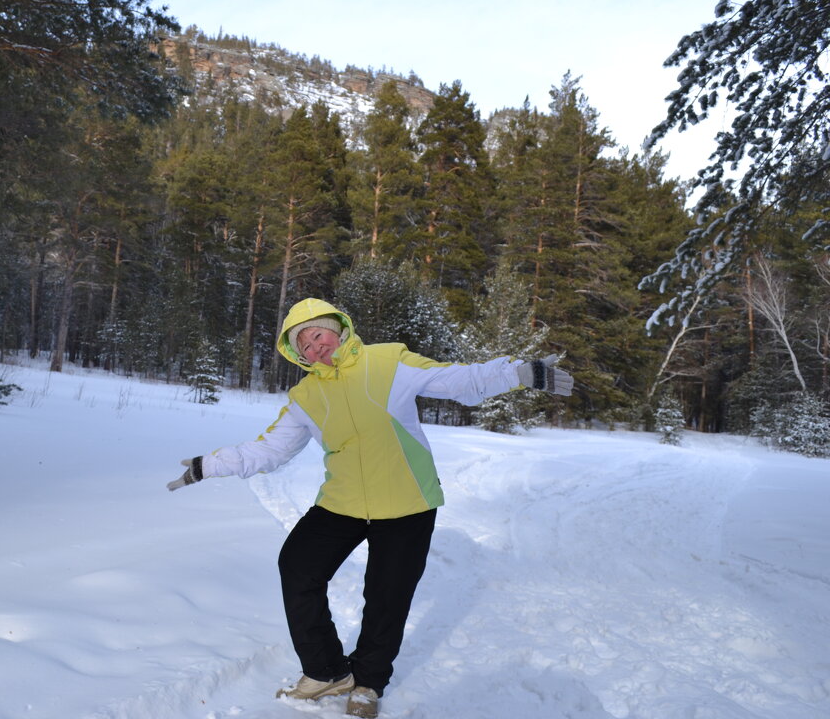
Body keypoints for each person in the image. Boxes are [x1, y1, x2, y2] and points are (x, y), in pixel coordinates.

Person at [167, 297, 573, 718]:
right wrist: (209, 464)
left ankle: (368, 683)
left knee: (387, 596)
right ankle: (326, 671)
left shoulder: (388, 361)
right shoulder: (306, 395)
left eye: (318, 334)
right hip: (342, 502)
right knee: (298, 567)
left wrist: (518, 372)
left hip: (407, 502)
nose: (314, 347)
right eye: (302, 344)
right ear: (297, 354)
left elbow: (458, 381)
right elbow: (269, 450)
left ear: (338, 330)